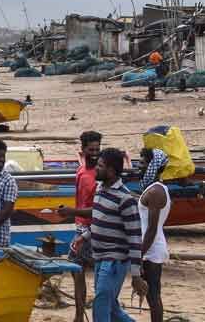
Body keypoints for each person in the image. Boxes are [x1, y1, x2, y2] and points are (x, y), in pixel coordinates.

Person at [84, 147, 147, 322]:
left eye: (100, 166)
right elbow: (99, 220)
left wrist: (136, 274)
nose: (96, 168)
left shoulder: (125, 199)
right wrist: (85, 236)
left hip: (114, 261)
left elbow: (135, 238)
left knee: (101, 302)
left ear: (111, 171)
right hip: (99, 257)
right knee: (111, 307)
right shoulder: (100, 189)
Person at [55, 131, 103, 322]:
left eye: (97, 150)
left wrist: (72, 212)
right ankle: (79, 314)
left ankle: (81, 315)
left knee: (81, 269)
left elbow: (98, 209)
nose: (94, 153)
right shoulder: (81, 171)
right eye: (91, 149)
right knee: (77, 270)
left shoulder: (99, 176)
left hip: (94, 230)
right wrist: (74, 217)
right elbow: (79, 200)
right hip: (80, 227)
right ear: (83, 150)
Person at [138, 149, 169, 322]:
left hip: (151, 248)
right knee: (152, 294)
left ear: (154, 166)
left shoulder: (155, 192)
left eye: (143, 163)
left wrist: (140, 253)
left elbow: (151, 228)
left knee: (153, 295)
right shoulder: (153, 189)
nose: (139, 167)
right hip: (150, 246)